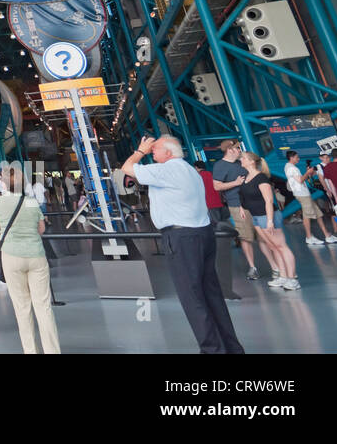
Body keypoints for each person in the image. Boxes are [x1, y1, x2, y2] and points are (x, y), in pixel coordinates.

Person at [123, 135, 244, 354]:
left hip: (182, 238)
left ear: (169, 152)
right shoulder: (189, 170)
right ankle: (231, 348)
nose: (152, 151)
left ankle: (212, 350)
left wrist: (140, 150)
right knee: (211, 295)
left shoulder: (166, 170)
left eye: (155, 148)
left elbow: (128, 168)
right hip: (202, 233)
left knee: (193, 298)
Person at [0, 166, 60, 354]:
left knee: (22, 308)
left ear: (3, 183)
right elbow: (41, 229)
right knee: (44, 307)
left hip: (12, 256)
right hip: (36, 254)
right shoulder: (31, 201)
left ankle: (30, 351)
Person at [239, 151, 299, 291]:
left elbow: (268, 200)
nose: (241, 160)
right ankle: (283, 276)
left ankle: (292, 278)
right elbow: (245, 195)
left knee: (281, 246)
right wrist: (242, 207)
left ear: (251, 161)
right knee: (272, 247)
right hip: (256, 217)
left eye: (243, 158)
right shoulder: (246, 178)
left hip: (267, 216)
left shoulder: (261, 178)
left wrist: (270, 220)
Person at [211, 140, 260, 280]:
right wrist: (236, 183)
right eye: (237, 148)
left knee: (263, 236)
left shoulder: (241, 163)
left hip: (254, 203)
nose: (240, 150)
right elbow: (217, 186)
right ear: (230, 150)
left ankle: (275, 266)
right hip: (236, 204)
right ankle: (252, 267)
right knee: (245, 236)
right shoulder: (220, 165)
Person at [284, 150, 337, 244]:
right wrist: (308, 172)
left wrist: (308, 173)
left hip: (304, 194)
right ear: (292, 157)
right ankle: (309, 237)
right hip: (302, 194)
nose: (298, 159)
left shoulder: (289, 167)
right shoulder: (292, 168)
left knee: (318, 214)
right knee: (307, 216)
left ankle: (327, 235)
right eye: (297, 157)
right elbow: (300, 180)